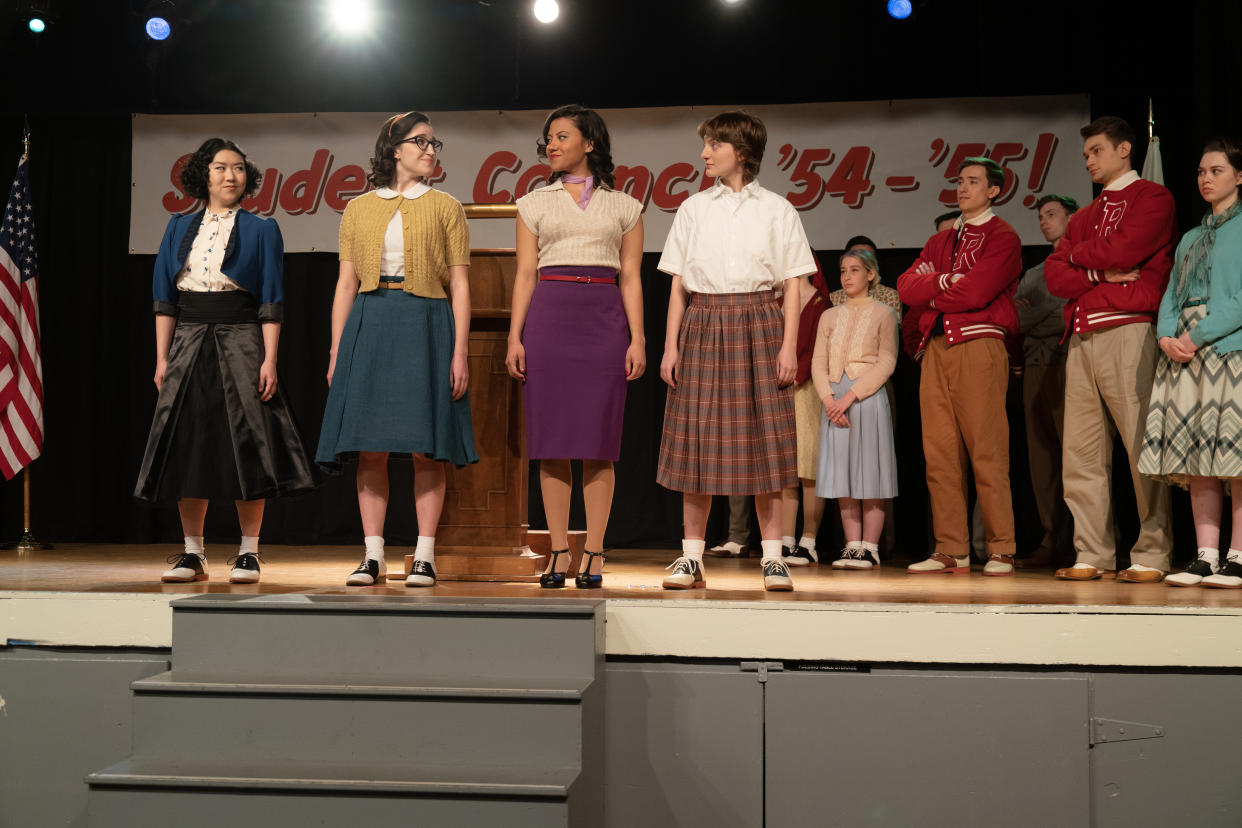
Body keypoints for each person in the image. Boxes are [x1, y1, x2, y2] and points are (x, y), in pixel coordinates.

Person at [136, 137, 317, 584]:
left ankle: (249, 552)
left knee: (250, 442)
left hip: (242, 336)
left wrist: (269, 358)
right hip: (188, 337)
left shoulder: (262, 229)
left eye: (238, 168)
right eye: (220, 167)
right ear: (204, 174)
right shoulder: (178, 226)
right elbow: (164, 297)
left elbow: (272, 298)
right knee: (188, 444)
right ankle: (192, 553)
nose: (230, 176)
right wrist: (162, 358)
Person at [316, 111, 477, 588]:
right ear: (394, 149)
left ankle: (424, 555)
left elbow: (461, 285)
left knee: (428, 449)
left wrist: (460, 350)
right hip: (371, 320)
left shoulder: (446, 206)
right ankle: (372, 555)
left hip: (426, 321)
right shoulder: (359, 208)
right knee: (371, 449)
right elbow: (346, 284)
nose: (430, 150)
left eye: (434, 143)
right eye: (421, 141)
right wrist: (335, 350)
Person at [657, 111, 815, 592]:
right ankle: (690, 557)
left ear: (740, 152)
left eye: (714, 145)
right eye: (705, 144)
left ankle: (772, 558)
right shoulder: (693, 208)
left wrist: (788, 345)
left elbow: (792, 283)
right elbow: (679, 286)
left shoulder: (777, 209)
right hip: (704, 323)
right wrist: (670, 347)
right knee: (695, 445)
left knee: (766, 443)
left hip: (759, 321)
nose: (705, 153)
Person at [506, 104, 645, 588]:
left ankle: (597, 552)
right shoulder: (533, 203)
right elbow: (525, 274)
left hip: (603, 317)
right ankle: (560, 551)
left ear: (590, 143)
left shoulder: (624, 206)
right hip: (550, 315)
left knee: (599, 444)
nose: (552, 144)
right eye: (548, 137)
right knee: (553, 444)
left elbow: (631, 277)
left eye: (562, 136)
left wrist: (637, 337)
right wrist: (515, 335)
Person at [1045, 116, 1175, 582]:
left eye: (1096, 151)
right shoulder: (1082, 216)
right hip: (1081, 336)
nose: (1089, 161)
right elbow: (1054, 275)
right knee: (1080, 453)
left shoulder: (1153, 198)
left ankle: (1153, 553)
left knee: (1142, 445)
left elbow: (1127, 248)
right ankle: (1092, 552)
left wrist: (1080, 256)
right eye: (1086, 154)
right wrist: (1099, 271)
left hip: (1129, 330)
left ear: (1124, 150)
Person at [896, 156, 1022, 576]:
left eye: (973, 182)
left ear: (993, 190)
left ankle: (1001, 547)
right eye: (960, 181)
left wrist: (937, 287)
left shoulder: (1003, 236)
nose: (963, 188)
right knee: (939, 453)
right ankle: (952, 547)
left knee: (987, 448)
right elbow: (905, 286)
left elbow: (979, 292)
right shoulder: (942, 239)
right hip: (937, 349)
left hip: (979, 345)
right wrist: (944, 283)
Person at [1140, 138, 1242, 588]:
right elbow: (1171, 294)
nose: (1206, 179)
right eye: (1202, 171)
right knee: (1200, 453)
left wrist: (1195, 336)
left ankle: (1237, 556)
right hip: (1184, 350)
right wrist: (1165, 334)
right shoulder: (1191, 237)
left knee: (1234, 456)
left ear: (1239, 176)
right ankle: (1205, 555)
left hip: (1226, 347)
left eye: (1217, 171)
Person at [813, 249, 899, 568]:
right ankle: (852, 544)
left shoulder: (883, 314)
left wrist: (850, 397)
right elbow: (819, 362)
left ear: (870, 275)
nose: (847, 276)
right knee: (842, 474)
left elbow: (887, 360)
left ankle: (870, 546)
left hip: (866, 396)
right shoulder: (829, 316)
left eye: (854, 270)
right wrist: (828, 400)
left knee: (870, 472)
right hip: (834, 399)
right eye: (843, 271)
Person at [1014, 194, 1078, 568]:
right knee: (1042, 460)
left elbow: (1068, 316)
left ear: (1072, 218)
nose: (1044, 221)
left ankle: (1085, 540)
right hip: (1036, 367)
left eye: (1052, 214)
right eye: (1040, 216)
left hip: (1070, 363)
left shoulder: (1080, 262)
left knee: (1077, 457)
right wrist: (1045, 315)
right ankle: (1051, 538)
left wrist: (1039, 316)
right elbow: (1015, 320)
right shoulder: (1035, 273)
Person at [781, 255, 832, 566]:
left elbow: (818, 350)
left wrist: (798, 374)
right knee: (786, 469)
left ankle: (808, 540)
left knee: (809, 467)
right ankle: (785, 540)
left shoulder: (820, 304)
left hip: (809, 389)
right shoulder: (776, 302)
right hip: (781, 389)